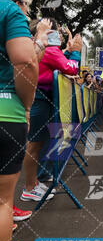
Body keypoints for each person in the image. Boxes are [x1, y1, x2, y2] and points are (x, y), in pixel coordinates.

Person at [0, 0, 38, 241]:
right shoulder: (7, 11)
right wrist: (25, 105)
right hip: (5, 110)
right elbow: (26, 62)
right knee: (2, 200)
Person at [20, 20, 82, 202]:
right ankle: (29, 187)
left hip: (42, 99)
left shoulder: (48, 50)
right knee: (34, 144)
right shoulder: (48, 49)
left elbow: (61, 59)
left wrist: (69, 52)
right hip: (40, 99)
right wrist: (76, 52)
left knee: (40, 142)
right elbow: (71, 68)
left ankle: (34, 182)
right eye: (57, 32)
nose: (60, 35)